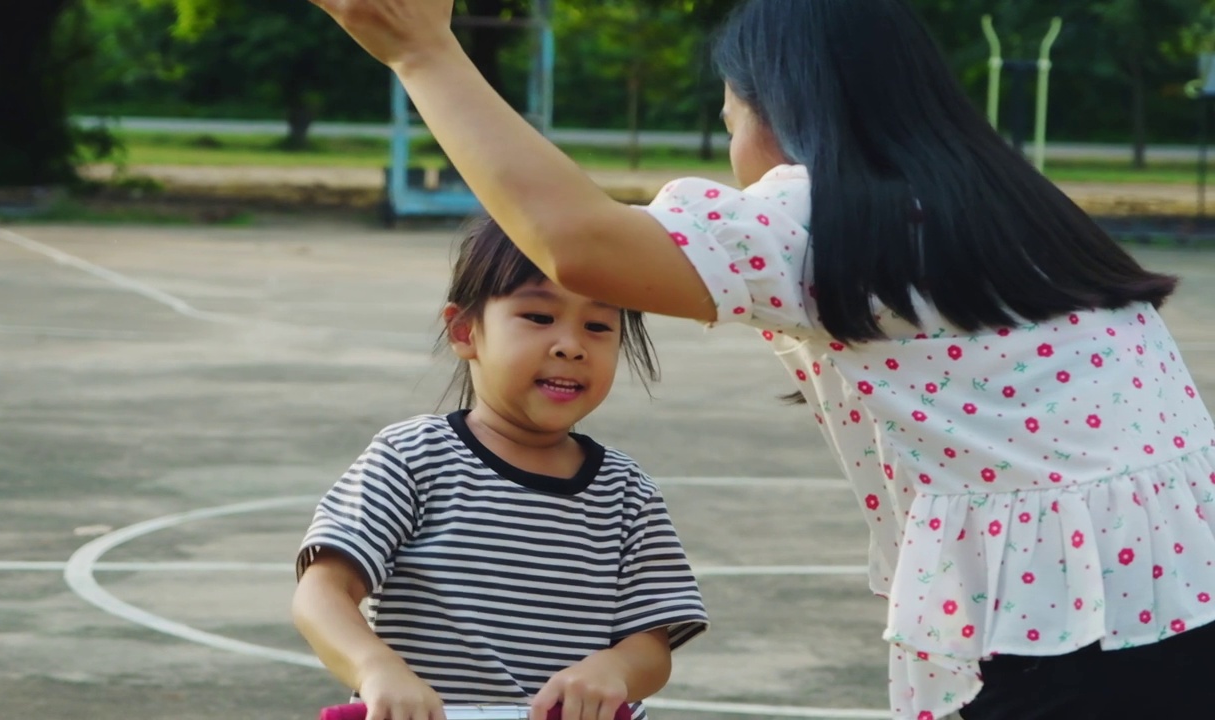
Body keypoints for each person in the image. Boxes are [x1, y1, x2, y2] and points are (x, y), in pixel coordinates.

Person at [305, 0, 1215, 718]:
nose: (738, 151)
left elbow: (577, 245)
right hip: (1184, 588)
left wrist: (424, 53)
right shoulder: (1006, 206)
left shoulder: (826, 213)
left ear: (786, 115)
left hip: (1066, 620)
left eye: (732, 119)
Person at [291, 216, 709, 720]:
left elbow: (651, 645)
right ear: (465, 330)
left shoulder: (626, 493)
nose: (571, 345)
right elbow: (323, 590)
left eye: (598, 326)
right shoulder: (414, 458)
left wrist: (615, 670)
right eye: (538, 317)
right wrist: (376, 667)